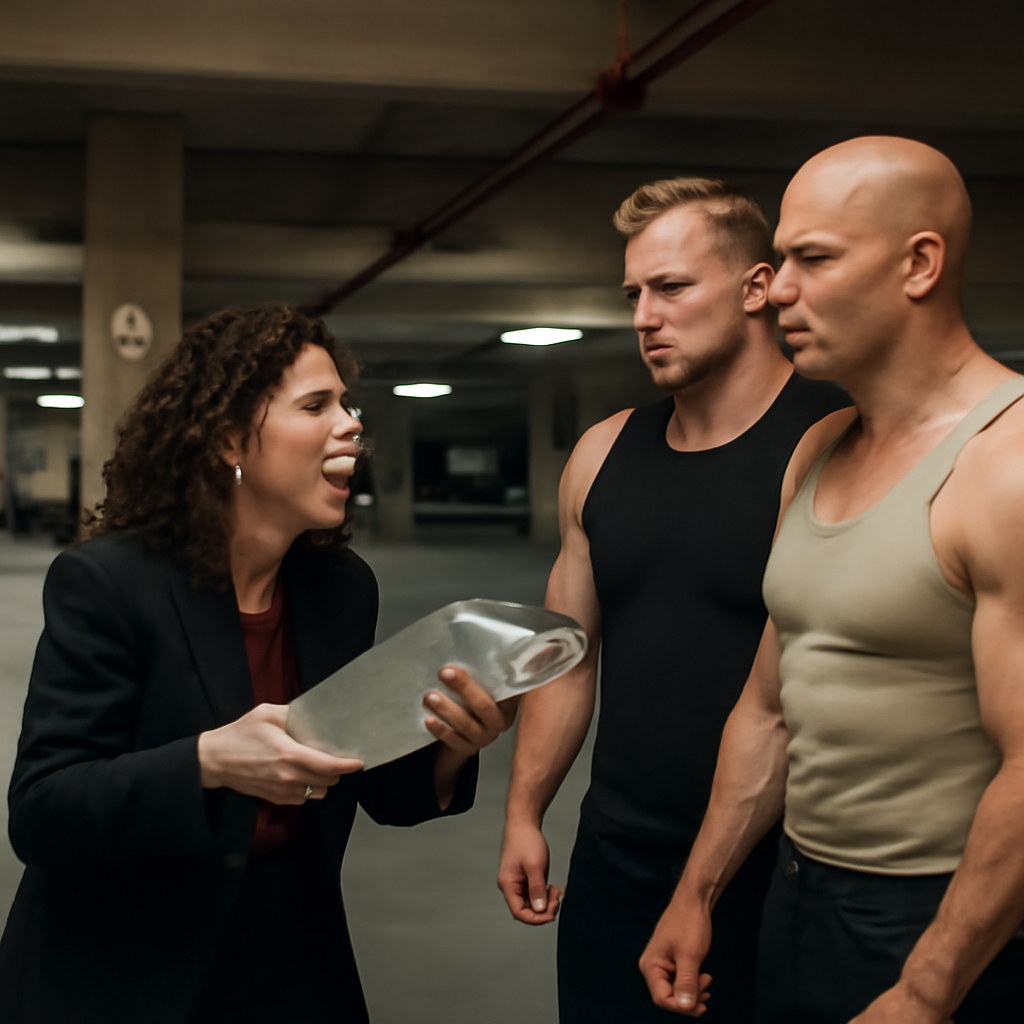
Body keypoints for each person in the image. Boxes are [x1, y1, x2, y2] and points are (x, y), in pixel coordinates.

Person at [0, 304, 516, 1024]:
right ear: (230, 439)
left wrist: (451, 745)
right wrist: (209, 760)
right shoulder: (110, 584)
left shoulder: (340, 588)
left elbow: (376, 785)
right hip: (127, 960)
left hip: (289, 946)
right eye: (316, 405)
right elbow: (45, 811)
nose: (351, 423)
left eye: (346, 402)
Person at [640, 137, 1024, 1023]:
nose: (776, 289)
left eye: (813, 259)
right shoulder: (817, 450)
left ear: (919, 264)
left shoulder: (1002, 467)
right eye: (780, 262)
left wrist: (928, 989)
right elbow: (772, 705)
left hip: (946, 919)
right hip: (799, 888)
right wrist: (698, 891)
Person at [497, 178, 849, 1022]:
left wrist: (704, 887)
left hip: (781, 862)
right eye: (634, 295)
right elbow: (564, 654)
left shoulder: (833, 442)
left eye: (673, 288)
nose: (645, 316)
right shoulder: (603, 451)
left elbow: (795, 697)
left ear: (757, 287)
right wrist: (524, 810)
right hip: (618, 851)